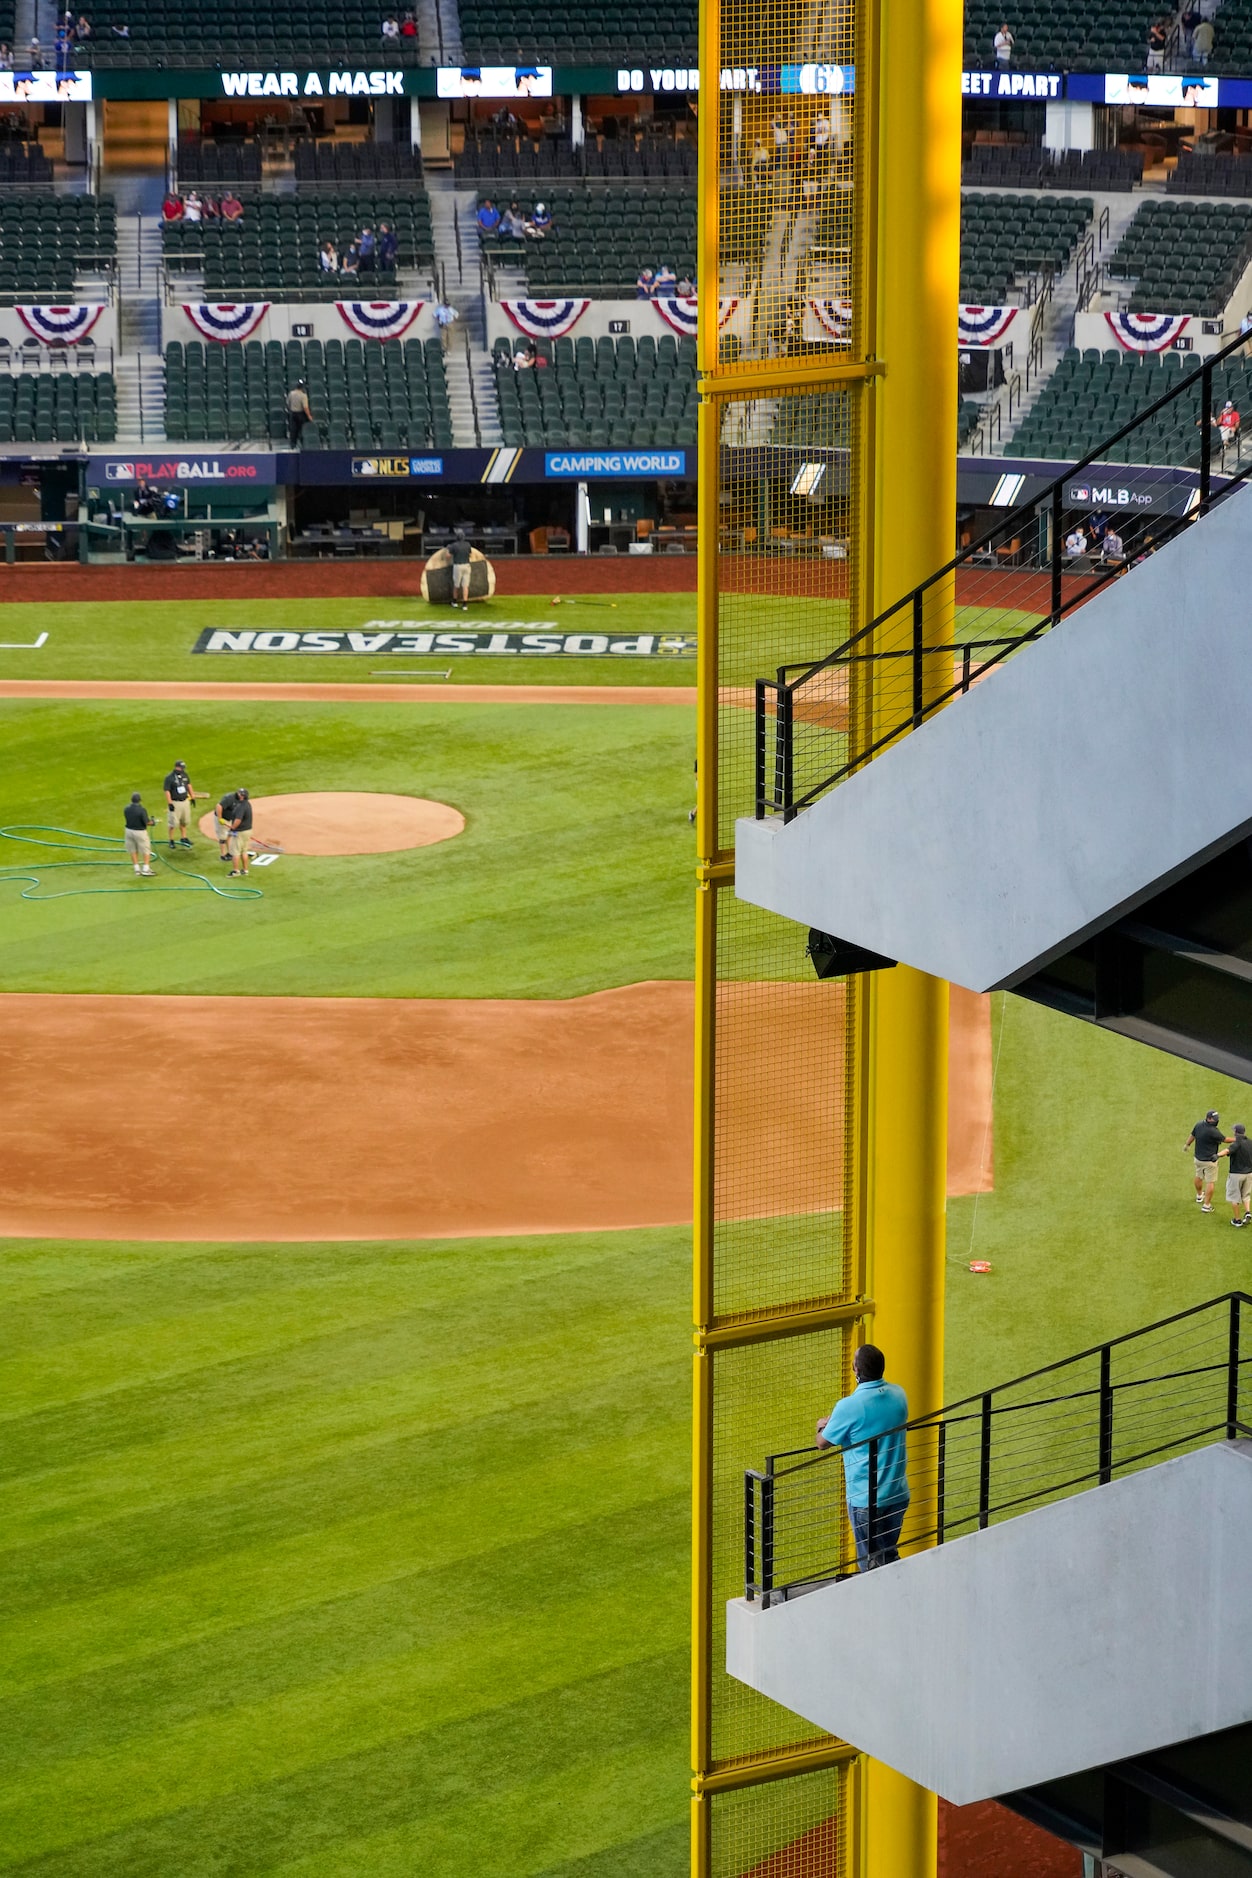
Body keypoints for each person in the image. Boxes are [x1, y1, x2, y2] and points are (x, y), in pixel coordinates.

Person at [816, 1344, 909, 1572]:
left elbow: (823, 1443)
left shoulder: (849, 1406)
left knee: (870, 1567)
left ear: (855, 1369)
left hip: (865, 1500)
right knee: (888, 1556)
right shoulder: (899, 1394)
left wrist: (821, 1426)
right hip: (897, 1493)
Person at [1186, 1108, 1225, 1211]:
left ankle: (1199, 1196)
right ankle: (1207, 1205)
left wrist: (1187, 1144)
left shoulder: (1199, 1125)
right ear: (1208, 1118)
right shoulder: (1213, 1131)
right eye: (1214, 1119)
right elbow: (1225, 1139)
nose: (1216, 1121)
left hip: (1198, 1158)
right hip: (1210, 1161)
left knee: (1198, 1176)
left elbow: (1192, 1135)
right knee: (1210, 1182)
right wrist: (1238, 1139)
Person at [163, 757, 199, 851]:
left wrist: (192, 797)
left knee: (185, 821)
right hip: (175, 802)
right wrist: (170, 803)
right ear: (176, 767)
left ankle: (183, 837)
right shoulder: (169, 778)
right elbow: (167, 791)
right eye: (181, 767)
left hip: (185, 801)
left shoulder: (185, 775)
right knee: (173, 823)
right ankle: (171, 840)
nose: (183, 769)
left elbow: (189, 785)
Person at [1219, 1124, 1252, 1226]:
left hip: (1236, 1175)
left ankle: (1237, 1220)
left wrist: (1217, 1155)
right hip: (1249, 1174)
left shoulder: (1236, 1143)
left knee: (1234, 1197)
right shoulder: (1250, 1142)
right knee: (1246, 1195)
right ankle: (1247, 1212)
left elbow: (1227, 1151)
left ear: (1236, 1132)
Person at [123, 792, 155, 877]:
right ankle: (146, 869)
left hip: (128, 831)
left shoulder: (126, 809)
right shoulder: (141, 810)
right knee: (146, 849)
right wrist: (153, 822)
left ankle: (137, 869)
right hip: (140, 832)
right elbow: (147, 822)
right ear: (139, 800)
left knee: (133, 850)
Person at [227, 786, 253, 878]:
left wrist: (232, 828)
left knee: (236, 852)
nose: (237, 795)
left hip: (240, 832)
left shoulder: (241, 806)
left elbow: (238, 819)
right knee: (244, 851)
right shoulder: (247, 804)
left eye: (239, 794)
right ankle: (245, 870)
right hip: (248, 830)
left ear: (241, 796)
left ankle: (236, 871)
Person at [449, 528, 473, 609]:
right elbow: (470, 555)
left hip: (458, 566)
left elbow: (447, 555)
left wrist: (448, 549)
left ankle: (455, 602)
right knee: (465, 586)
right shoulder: (468, 544)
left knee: (456, 585)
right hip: (467, 566)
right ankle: (465, 604)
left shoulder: (454, 545)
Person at [214, 786, 239, 862]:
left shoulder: (242, 801)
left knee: (230, 835)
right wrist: (220, 819)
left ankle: (230, 852)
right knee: (223, 837)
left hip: (231, 819)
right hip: (223, 818)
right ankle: (223, 855)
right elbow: (219, 806)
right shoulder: (229, 798)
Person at [287, 377, 313, 447]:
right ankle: (302, 443)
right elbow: (305, 407)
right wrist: (309, 416)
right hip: (300, 414)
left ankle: (293, 444)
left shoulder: (291, 393)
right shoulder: (303, 395)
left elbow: (288, 404)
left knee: (293, 429)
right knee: (301, 429)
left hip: (293, 414)